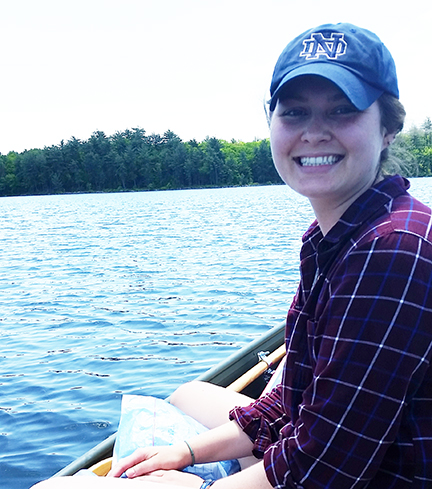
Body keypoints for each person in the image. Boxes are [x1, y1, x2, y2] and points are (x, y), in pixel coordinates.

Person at [32, 22, 432, 489]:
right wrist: (181, 453)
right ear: (271, 123)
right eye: (295, 113)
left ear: (388, 129)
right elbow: (292, 400)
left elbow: (324, 470)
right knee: (186, 397)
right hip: (325, 457)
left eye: (342, 111)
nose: (314, 133)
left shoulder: (393, 249)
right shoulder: (336, 237)